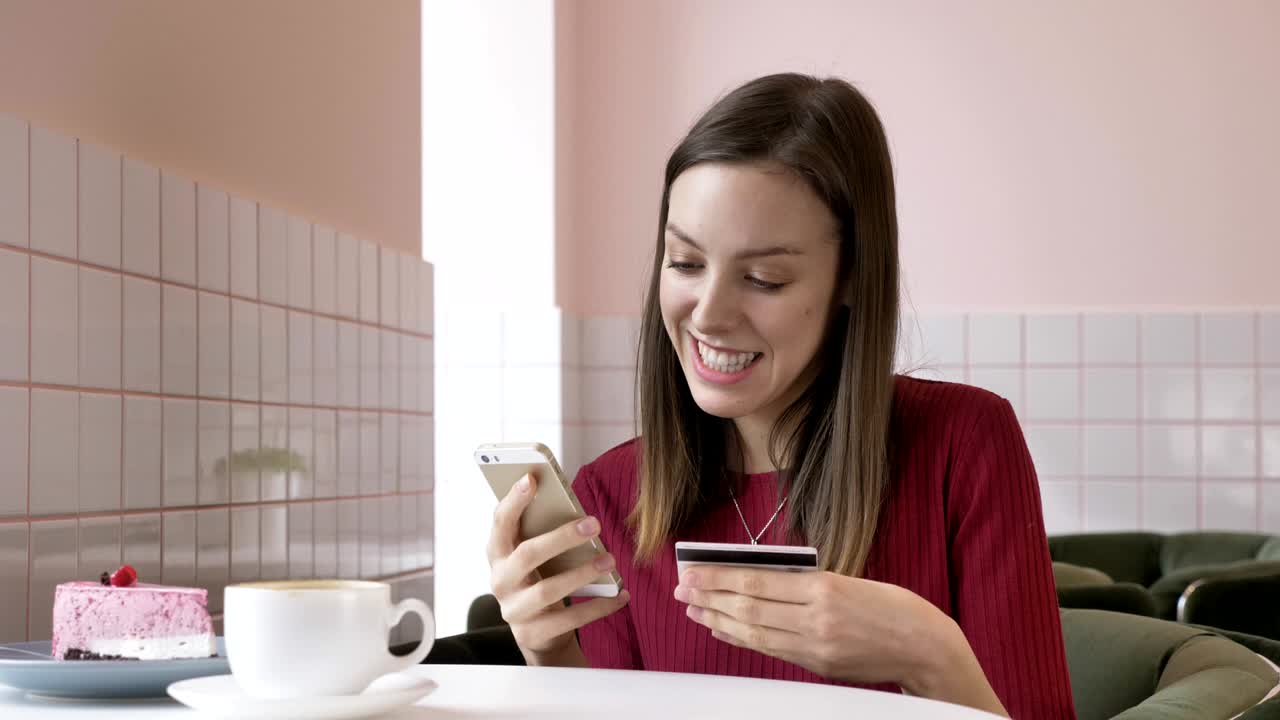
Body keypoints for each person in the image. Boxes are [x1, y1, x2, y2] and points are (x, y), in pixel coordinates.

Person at [485, 73, 1075, 719]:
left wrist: (927, 652)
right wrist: (552, 662)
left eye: (763, 279)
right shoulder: (611, 495)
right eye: (684, 263)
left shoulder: (964, 445)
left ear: (850, 277)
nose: (708, 315)